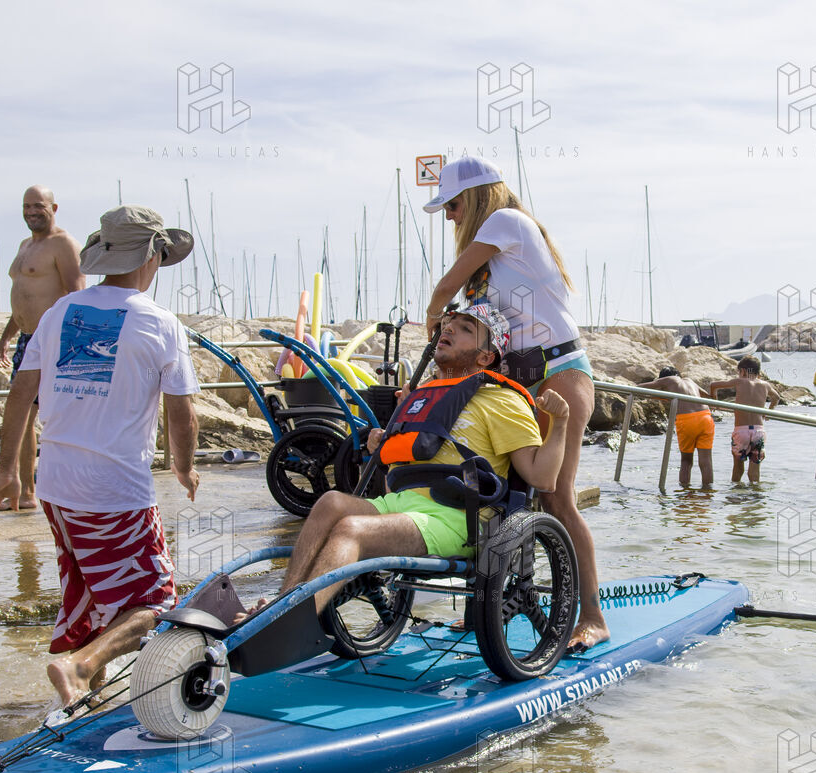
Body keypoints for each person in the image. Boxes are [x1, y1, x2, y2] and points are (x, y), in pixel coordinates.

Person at [0, 206, 201, 705]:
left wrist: (7, 471)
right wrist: (184, 466)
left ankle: (88, 698)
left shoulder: (61, 311)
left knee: (89, 592)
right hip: (114, 488)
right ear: (151, 255)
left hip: (56, 485)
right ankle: (79, 669)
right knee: (155, 601)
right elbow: (182, 413)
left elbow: (21, 392)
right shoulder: (161, 322)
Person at [239, 303, 570, 621]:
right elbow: (395, 476)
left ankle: (287, 619)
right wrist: (382, 442)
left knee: (351, 531)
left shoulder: (502, 400)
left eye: (465, 329)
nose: (448, 329)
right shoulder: (425, 397)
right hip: (399, 505)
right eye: (448, 324)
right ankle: (285, 603)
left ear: (486, 356)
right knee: (330, 504)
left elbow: (542, 478)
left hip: (456, 520)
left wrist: (561, 422)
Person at [420, 156, 609, 651]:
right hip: (513, 380)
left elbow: (444, 288)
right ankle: (492, 607)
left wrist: (433, 315)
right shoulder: (494, 256)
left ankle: (592, 616)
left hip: (557, 369)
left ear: (477, 195)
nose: (449, 217)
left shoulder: (506, 221)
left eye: (452, 205)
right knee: (498, 495)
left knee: (557, 496)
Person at [0, 185, 85, 511]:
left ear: (53, 208)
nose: (31, 211)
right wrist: (7, 335)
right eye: (27, 206)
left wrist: (66, 345)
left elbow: (77, 296)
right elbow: (25, 296)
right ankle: (24, 490)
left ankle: (68, 489)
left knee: (57, 416)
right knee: (21, 415)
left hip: (53, 341)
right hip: (26, 338)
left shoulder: (64, 244)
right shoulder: (25, 245)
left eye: (38, 205)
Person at [704, 356, 780, 483]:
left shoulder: (739, 381)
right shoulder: (765, 385)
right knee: (754, 471)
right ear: (758, 372)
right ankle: (755, 493)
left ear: (743, 371)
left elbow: (714, 385)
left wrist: (714, 401)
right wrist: (768, 412)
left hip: (741, 431)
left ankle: (736, 492)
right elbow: (776, 397)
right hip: (758, 431)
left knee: (738, 468)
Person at [637, 366, 714, 487]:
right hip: (705, 417)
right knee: (706, 461)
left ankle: (684, 491)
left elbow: (641, 387)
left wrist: (634, 389)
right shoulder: (689, 381)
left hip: (687, 420)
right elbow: (707, 395)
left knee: (686, 461)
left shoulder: (668, 379)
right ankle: (708, 491)